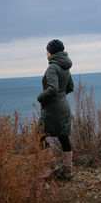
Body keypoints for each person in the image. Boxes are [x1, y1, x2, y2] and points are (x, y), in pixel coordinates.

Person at [37, 39, 74, 180]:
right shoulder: (65, 67)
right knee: (63, 137)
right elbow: (70, 87)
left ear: (51, 52)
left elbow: (52, 89)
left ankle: (52, 167)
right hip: (63, 106)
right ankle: (67, 173)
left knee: (38, 136)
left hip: (52, 108)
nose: (46, 53)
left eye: (47, 50)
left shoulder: (53, 67)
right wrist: (60, 96)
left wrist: (40, 98)